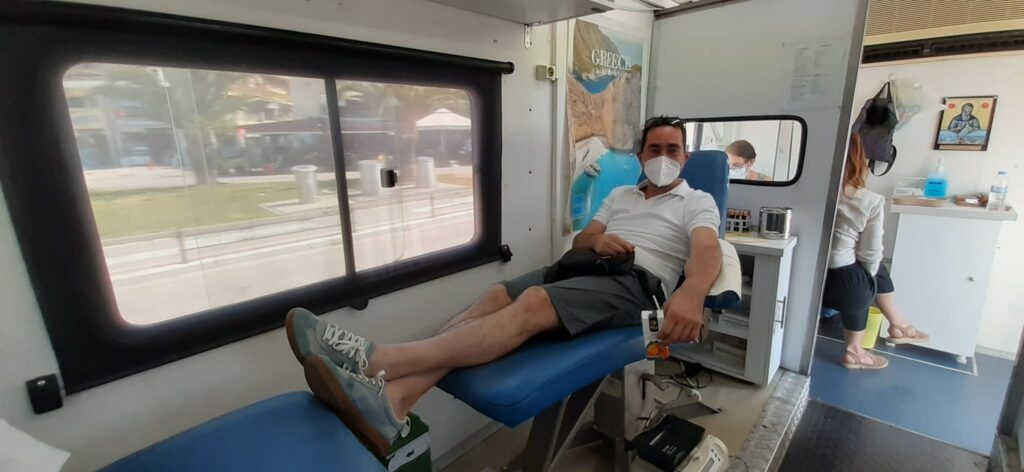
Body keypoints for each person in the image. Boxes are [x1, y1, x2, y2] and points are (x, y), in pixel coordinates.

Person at [284, 116, 723, 457]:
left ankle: (377, 359)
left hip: (636, 284)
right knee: (497, 296)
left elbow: (706, 250)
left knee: (533, 302)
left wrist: (693, 292)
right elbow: (584, 238)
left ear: (684, 157)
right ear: (641, 155)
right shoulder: (620, 195)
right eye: (654, 148)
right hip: (590, 265)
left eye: (672, 149)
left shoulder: (697, 201)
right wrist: (597, 241)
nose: (663, 157)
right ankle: (395, 401)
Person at [823, 132, 929, 370]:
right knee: (867, 270)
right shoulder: (868, 200)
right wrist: (867, 278)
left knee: (862, 270)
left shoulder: (805, 190)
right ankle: (859, 348)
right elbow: (870, 254)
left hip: (805, 273)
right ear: (858, 159)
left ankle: (898, 325)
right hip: (843, 288)